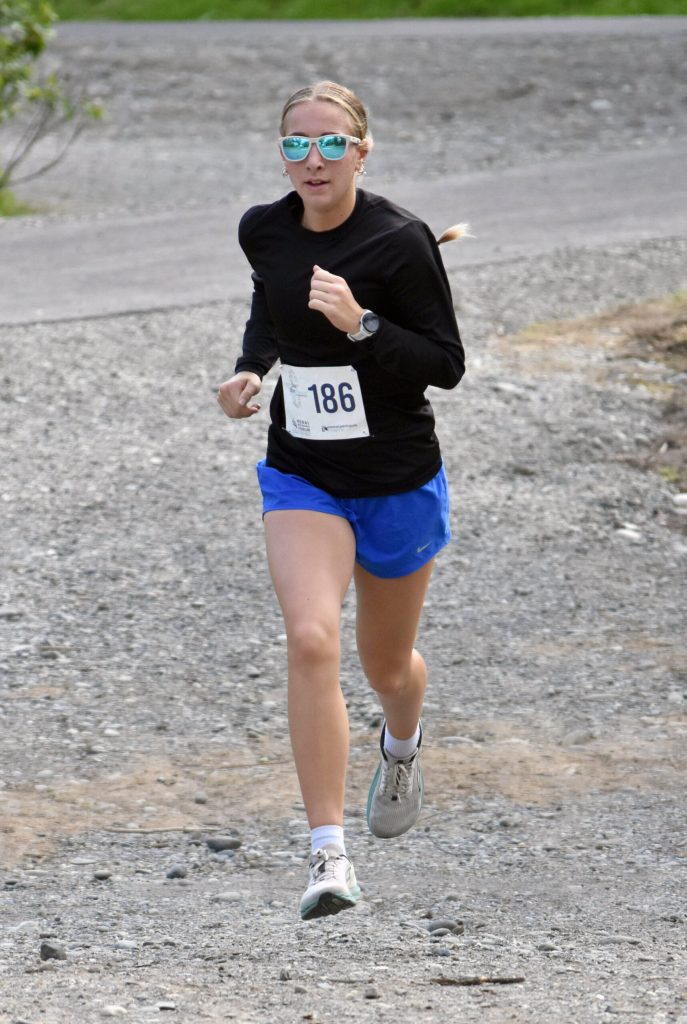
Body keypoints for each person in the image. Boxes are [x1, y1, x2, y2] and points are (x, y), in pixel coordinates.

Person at [217, 81, 465, 921]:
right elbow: (270, 300)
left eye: (330, 143)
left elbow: (445, 363)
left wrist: (361, 324)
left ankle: (402, 743)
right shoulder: (264, 229)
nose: (312, 159)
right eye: (296, 144)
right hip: (303, 473)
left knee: (386, 667)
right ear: (281, 153)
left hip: (395, 477)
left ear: (361, 150)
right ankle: (328, 856)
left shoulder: (399, 241)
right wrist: (251, 369)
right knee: (310, 637)